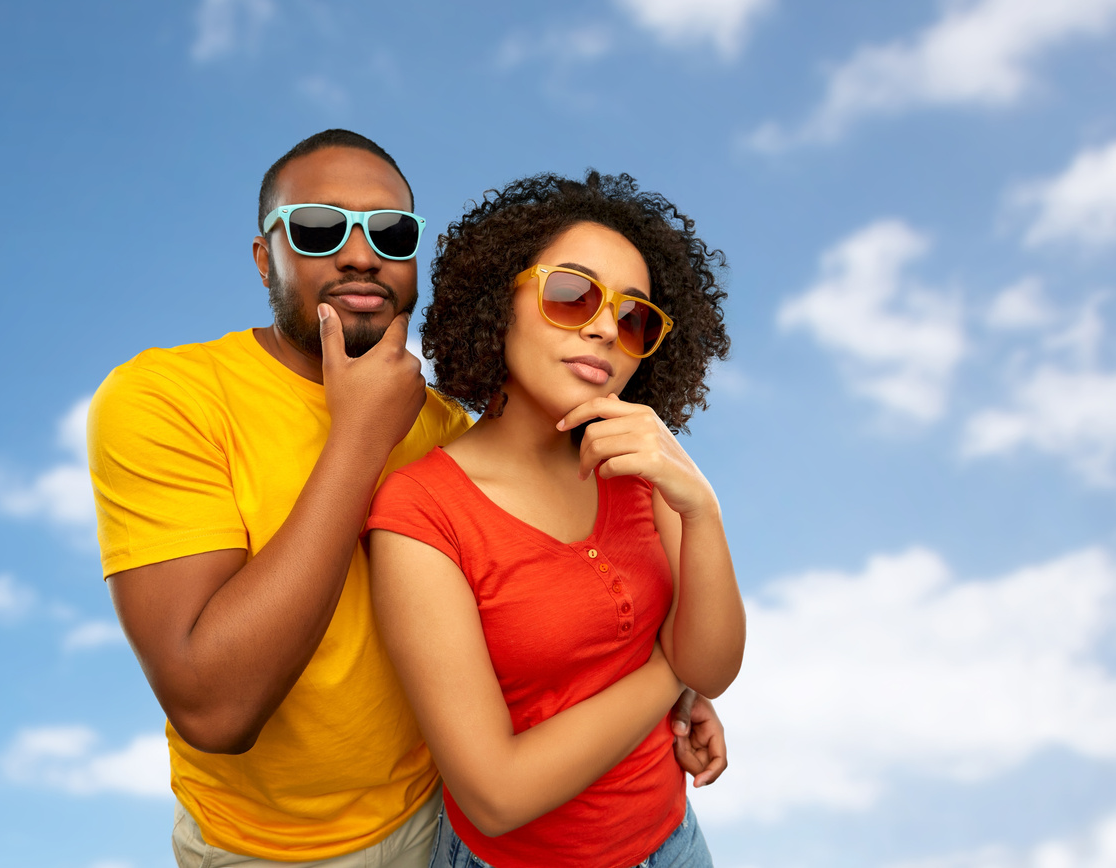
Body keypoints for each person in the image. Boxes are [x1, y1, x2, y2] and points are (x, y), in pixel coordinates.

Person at [88, 130, 727, 868]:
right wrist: (358, 440)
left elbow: (531, 622)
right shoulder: (165, 399)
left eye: (390, 233)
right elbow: (215, 710)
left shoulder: (450, 431)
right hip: (274, 851)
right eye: (319, 227)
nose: (361, 254)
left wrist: (672, 702)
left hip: (445, 823)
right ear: (265, 257)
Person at [365, 171, 744, 868]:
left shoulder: (641, 463)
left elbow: (714, 669)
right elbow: (495, 795)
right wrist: (671, 673)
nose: (604, 327)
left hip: (675, 842)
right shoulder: (419, 512)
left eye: (633, 318)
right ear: (497, 301)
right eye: (572, 295)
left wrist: (702, 508)